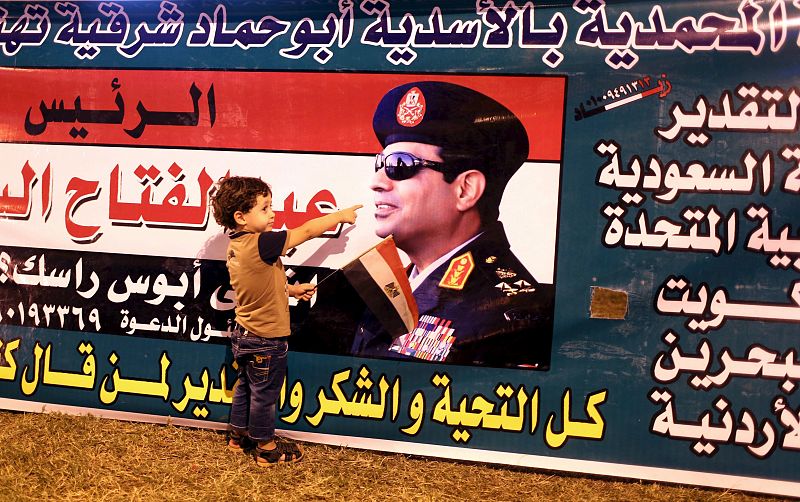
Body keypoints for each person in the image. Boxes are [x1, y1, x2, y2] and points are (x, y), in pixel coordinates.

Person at [350, 81, 555, 368]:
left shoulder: (509, 315)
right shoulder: (391, 285)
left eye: (399, 165)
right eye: (379, 164)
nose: (377, 182)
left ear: (466, 190)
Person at [211, 176, 360, 466]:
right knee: (265, 395)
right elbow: (305, 231)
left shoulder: (236, 245)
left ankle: (236, 437)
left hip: (243, 334)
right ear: (240, 217)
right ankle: (266, 448)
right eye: (265, 209)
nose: (273, 214)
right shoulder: (263, 243)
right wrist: (340, 216)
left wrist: (290, 290)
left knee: (245, 385)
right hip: (267, 339)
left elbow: (257, 283)